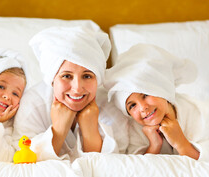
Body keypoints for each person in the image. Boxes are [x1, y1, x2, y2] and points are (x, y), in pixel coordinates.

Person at [13, 26, 129, 161]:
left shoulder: (111, 106)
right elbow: (25, 162)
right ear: (52, 79)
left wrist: (90, 130)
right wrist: (58, 131)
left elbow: (114, 166)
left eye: (87, 76)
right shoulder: (33, 104)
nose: (77, 88)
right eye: (67, 76)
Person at [104, 43, 209, 161]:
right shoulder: (136, 128)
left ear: (162, 90)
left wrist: (180, 142)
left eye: (145, 95)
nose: (142, 108)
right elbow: (138, 168)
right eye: (132, 105)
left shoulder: (199, 116)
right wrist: (154, 145)